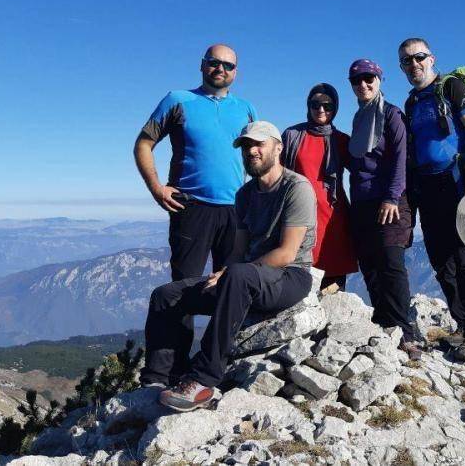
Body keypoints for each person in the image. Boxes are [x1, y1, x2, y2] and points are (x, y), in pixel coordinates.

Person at [146, 121, 317, 411]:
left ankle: (203, 381)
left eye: (259, 144)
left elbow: (286, 253)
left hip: (290, 277)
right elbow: (238, 250)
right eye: (246, 146)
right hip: (246, 278)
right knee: (167, 295)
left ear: (278, 147)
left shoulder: (296, 188)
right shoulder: (245, 194)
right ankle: (158, 379)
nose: (251, 151)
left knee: (238, 275)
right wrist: (222, 274)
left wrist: (230, 273)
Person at [134, 44, 258, 385]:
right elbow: (143, 143)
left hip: (237, 210)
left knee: (232, 287)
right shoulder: (178, 100)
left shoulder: (246, 108)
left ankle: (219, 364)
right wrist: (157, 187)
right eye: (214, 62)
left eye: (228, 65)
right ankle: (166, 372)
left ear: (236, 72)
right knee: (180, 289)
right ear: (202, 65)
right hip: (191, 208)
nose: (220, 69)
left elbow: (257, 155)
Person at [398, 37, 465, 363]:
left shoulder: (451, 88)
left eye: (419, 57)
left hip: (456, 182)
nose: (414, 64)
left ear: (431, 58)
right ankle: (462, 325)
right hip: (427, 186)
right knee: (440, 260)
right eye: (407, 60)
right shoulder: (412, 101)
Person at [346, 59, 421, 361]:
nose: (363, 84)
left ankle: (406, 332)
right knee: (370, 264)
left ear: (379, 80)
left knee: (391, 263)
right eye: (356, 80)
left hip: (391, 200)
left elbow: (401, 158)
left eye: (369, 79)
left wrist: (391, 197)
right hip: (362, 202)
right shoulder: (359, 118)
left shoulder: (391, 114)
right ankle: (384, 322)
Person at [281, 83, 358, 293]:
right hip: (299, 216)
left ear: (335, 108)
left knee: (333, 287)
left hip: (333, 219)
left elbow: (364, 172)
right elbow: (277, 172)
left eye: (327, 105)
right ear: (308, 106)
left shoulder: (341, 140)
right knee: (297, 277)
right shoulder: (292, 135)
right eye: (315, 104)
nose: (321, 109)